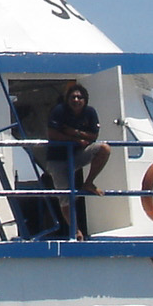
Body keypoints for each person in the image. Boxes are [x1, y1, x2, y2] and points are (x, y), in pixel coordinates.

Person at [45, 82, 111, 241]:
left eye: (79, 97)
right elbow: (52, 134)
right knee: (66, 196)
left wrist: (74, 133)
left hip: (75, 157)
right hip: (57, 160)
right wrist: (76, 138)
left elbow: (93, 136)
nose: (76, 100)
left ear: (85, 100)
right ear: (67, 99)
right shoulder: (59, 110)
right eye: (73, 97)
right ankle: (75, 231)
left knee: (104, 149)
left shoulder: (90, 112)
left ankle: (89, 182)